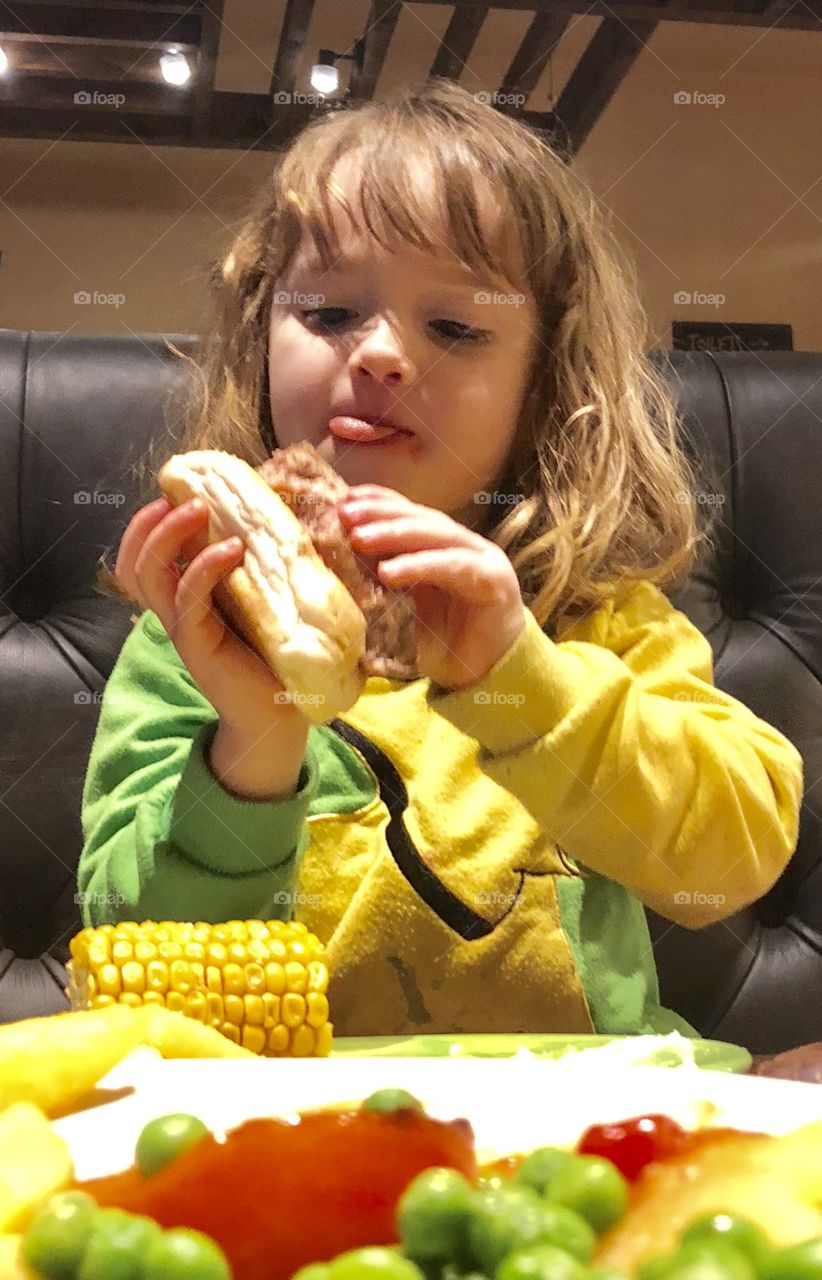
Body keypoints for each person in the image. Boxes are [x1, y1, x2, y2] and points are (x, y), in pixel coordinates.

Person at [78, 79, 803, 1038]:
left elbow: (733, 857)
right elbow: (135, 959)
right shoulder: (194, 638)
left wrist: (523, 677)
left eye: (455, 328)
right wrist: (253, 740)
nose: (379, 353)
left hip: (583, 1120)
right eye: (331, 314)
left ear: (540, 387)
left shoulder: (590, 614)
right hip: (296, 1132)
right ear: (261, 338)